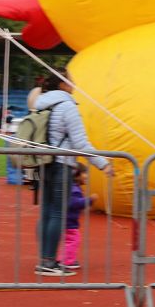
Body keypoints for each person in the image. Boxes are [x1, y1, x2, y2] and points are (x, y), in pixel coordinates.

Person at [32, 73, 114, 276]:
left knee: (47, 212)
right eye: (70, 80)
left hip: (43, 164)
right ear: (63, 84)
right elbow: (80, 143)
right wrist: (103, 164)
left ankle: (45, 259)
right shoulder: (67, 106)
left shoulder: (41, 104)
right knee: (57, 213)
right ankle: (49, 262)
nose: (74, 84)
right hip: (61, 164)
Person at [61, 163, 97, 270]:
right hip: (69, 222)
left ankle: (64, 258)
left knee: (67, 240)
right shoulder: (74, 190)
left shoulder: (72, 188)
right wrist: (90, 200)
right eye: (84, 173)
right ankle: (67, 261)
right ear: (76, 175)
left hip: (67, 220)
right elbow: (75, 203)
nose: (87, 176)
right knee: (73, 240)